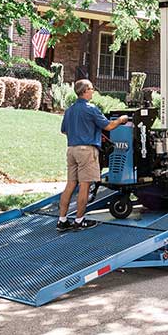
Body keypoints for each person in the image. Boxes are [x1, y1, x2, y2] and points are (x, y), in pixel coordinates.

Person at [57, 79, 129, 231]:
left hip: (71, 150)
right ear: (84, 91)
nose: (93, 91)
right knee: (85, 186)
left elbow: (63, 130)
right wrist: (121, 120)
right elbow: (109, 126)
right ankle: (79, 221)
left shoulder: (69, 110)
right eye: (91, 89)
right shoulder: (91, 109)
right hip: (86, 151)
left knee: (70, 184)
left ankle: (62, 221)